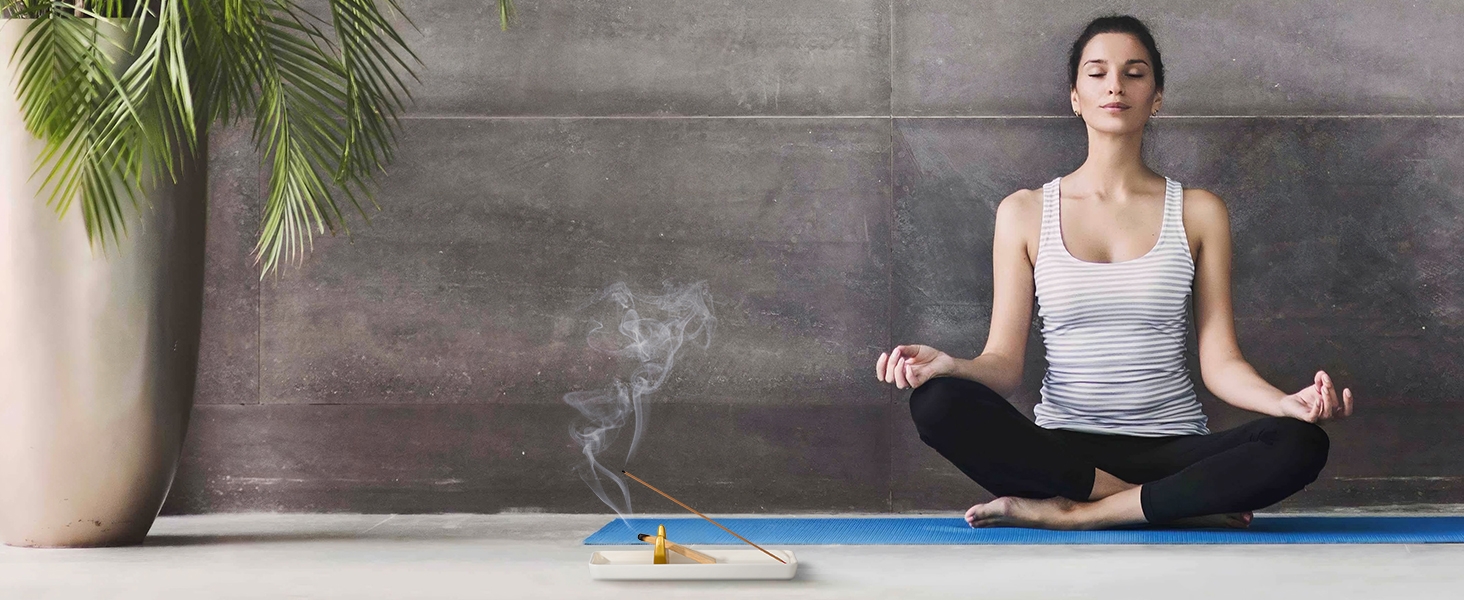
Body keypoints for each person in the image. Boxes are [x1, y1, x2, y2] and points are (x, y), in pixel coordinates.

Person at [875, 15, 1355, 531]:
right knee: (937, 403)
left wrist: (1286, 403)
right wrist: (951, 365)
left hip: (1175, 449)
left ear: (1157, 96)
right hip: (1063, 455)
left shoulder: (1198, 211)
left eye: (1134, 73)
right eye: (1097, 72)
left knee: (1300, 442)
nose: (1115, 86)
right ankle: (1158, 503)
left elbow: (1220, 363)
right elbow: (1003, 365)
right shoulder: (1023, 212)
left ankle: (1078, 515)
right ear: (1075, 96)